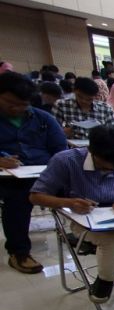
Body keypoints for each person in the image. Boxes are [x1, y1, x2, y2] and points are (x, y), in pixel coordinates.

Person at [30, 126, 114, 302]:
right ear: (91, 151)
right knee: (111, 238)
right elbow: (35, 196)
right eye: (104, 166)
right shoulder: (66, 160)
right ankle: (105, 282)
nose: (110, 171)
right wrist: (69, 203)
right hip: (81, 218)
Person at [0, 72, 68, 274]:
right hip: (7, 178)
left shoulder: (43, 119)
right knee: (19, 199)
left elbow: (61, 152)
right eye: (10, 103)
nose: (17, 108)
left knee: (81, 187)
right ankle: (19, 252)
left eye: (23, 104)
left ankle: (84, 233)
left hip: (43, 173)